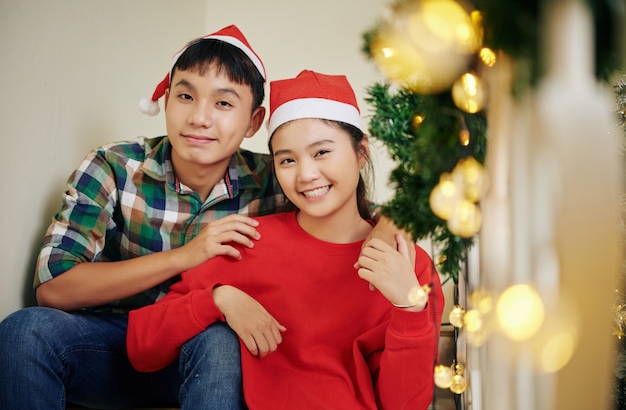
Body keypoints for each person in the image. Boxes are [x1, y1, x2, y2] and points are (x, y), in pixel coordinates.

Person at [0, 26, 407, 410]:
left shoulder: (275, 177)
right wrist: (185, 257)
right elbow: (53, 287)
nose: (199, 118)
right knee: (25, 331)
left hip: (215, 357)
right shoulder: (116, 166)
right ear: (166, 100)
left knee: (218, 339)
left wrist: (387, 228)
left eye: (224, 103)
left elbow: (342, 199)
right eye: (186, 96)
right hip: (112, 343)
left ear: (253, 122)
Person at [127, 70, 445, 410]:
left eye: (322, 152)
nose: (306, 174)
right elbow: (142, 346)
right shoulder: (247, 242)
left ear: (361, 152)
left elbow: (404, 405)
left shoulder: (406, 264)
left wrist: (408, 308)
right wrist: (217, 300)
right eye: (288, 160)